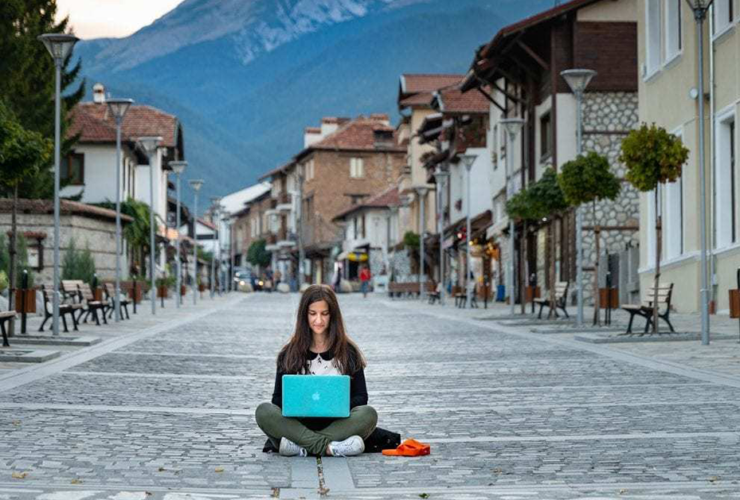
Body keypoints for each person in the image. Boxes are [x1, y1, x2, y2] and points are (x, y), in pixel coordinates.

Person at [255, 285, 377, 457]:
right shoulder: (288, 354)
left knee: (368, 414)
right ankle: (330, 448)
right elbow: (277, 400)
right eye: (313, 313)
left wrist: (334, 406)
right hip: (298, 425)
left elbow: (361, 397)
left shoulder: (348, 352)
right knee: (264, 411)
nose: (318, 320)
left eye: (324, 314)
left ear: (333, 316)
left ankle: (301, 447)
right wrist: (302, 406)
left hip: (337, 425)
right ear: (304, 315)